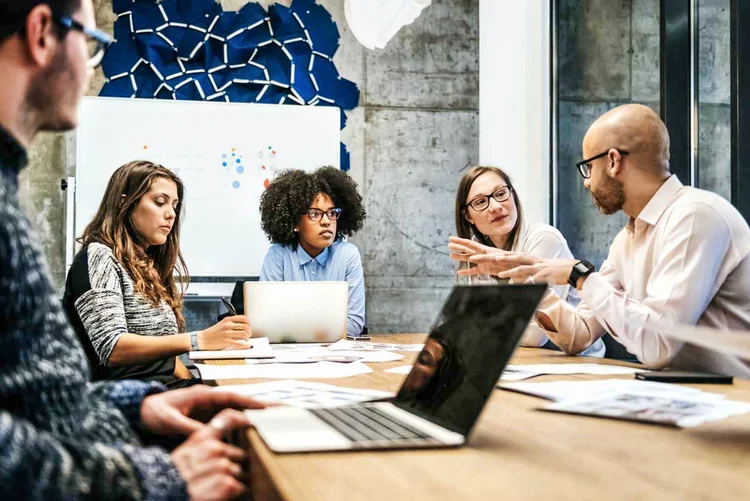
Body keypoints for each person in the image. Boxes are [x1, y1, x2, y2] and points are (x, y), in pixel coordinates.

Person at [0, 1, 265, 499]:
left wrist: (132, 406)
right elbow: (108, 351)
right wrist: (152, 480)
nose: (89, 67)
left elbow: (36, 398)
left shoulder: (7, 193)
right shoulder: (98, 254)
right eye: (93, 45)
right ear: (41, 33)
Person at [451, 104, 750, 377]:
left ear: (613, 162)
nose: (586, 181)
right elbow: (577, 336)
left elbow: (657, 346)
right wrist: (530, 276)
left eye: (588, 168)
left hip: (733, 403)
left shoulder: (695, 215)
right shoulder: (627, 240)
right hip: (683, 395)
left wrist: (579, 276)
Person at [63, 161, 253, 387]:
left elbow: (167, 360)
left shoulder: (147, 265)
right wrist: (199, 339)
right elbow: (113, 348)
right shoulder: (99, 256)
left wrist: (201, 385)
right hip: (122, 398)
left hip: (158, 389)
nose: (171, 214)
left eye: (174, 205)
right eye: (160, 202)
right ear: (125, 203)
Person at [451, 166, 605, 357]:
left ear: (513, 196)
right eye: (481, 201)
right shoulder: (474, 252)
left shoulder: (545, 239)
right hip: (517, 360)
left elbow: (535, 335)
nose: (496, 206)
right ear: (468, 216)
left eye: (501, 193)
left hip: (576, 363)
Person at [258, 166, 367, 337]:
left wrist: (294, 327)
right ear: (294, 223)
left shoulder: (348, 255)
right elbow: (267, 322)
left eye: (331, 213)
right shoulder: (278, 256)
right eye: (315, 214)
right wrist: (323, 328)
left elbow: (354, 324)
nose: (326, 221)